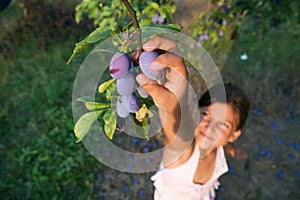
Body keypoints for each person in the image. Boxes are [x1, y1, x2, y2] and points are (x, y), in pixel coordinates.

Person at [136, 36, 250, 200]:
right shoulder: (183, 153)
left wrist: (231, 149)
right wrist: (171, 105)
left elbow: (223, 146)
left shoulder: (219, 148)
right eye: (205, 114)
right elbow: (174, 128)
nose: (209, 127)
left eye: (223, 125)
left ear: (233, 135)